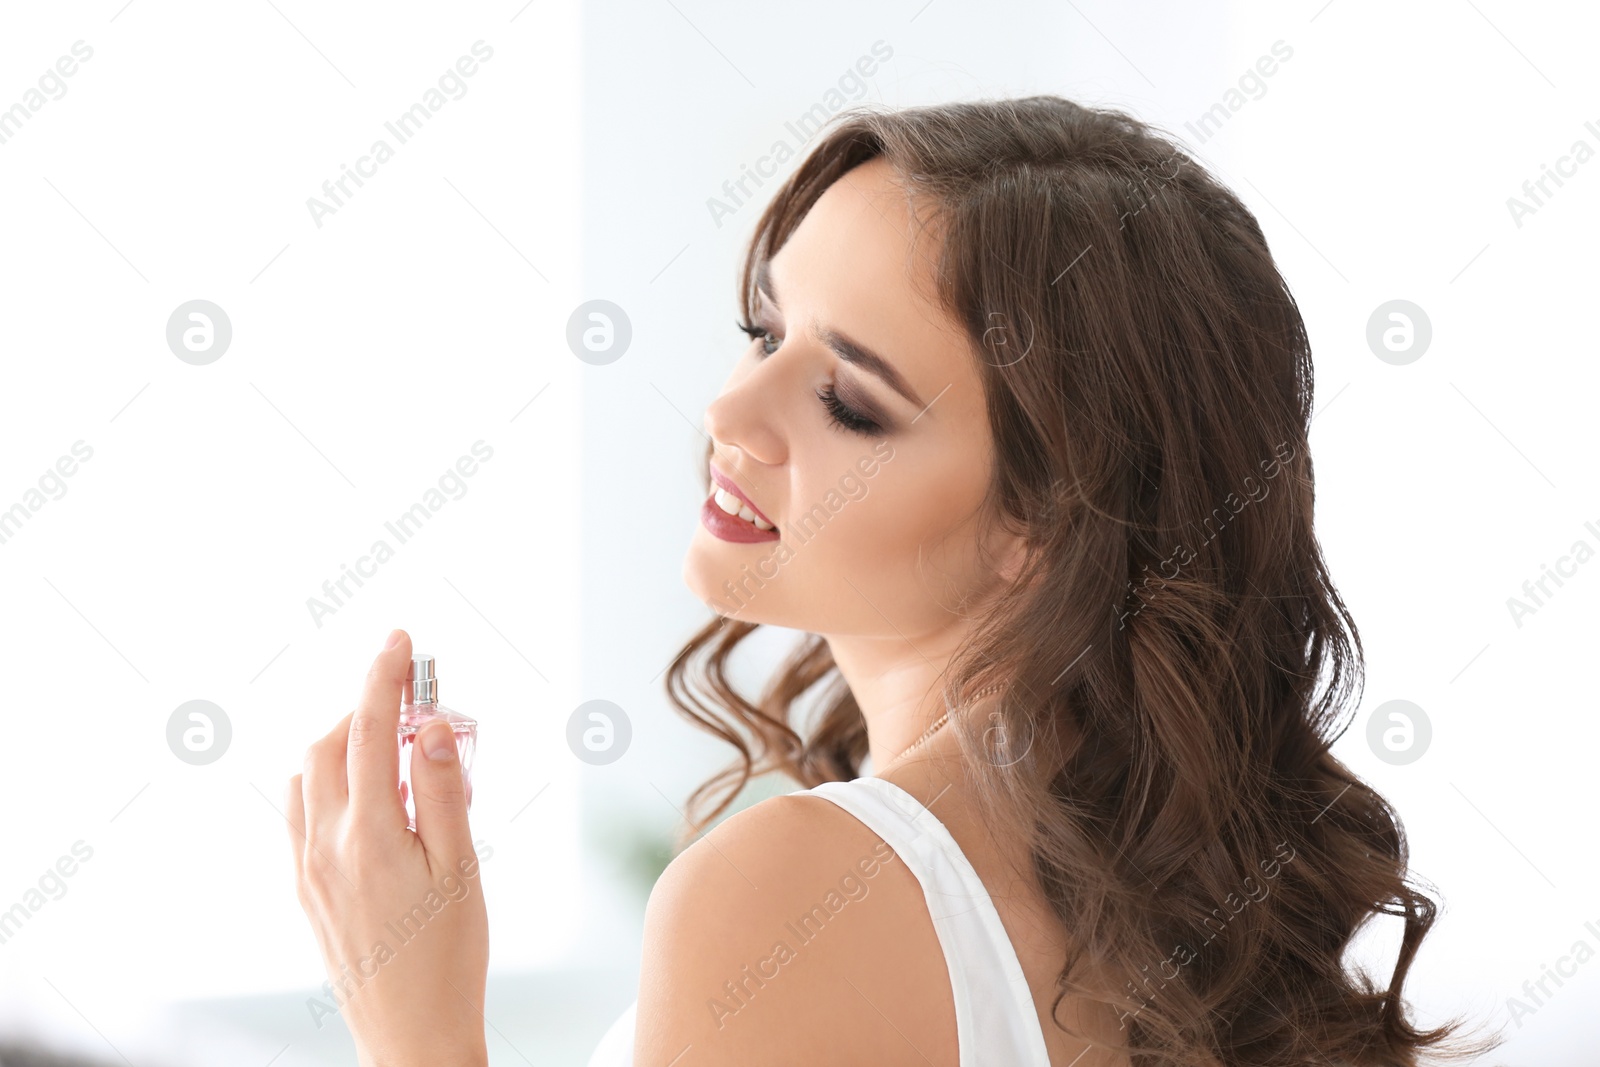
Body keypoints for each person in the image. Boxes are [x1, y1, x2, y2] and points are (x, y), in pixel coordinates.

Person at [287, 97, 1496, 1066]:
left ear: (1046, 520)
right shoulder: (1179, 903)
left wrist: (417, 1028)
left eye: (848, 400)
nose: (727, 409)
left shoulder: (787, 891)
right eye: (767, 332)